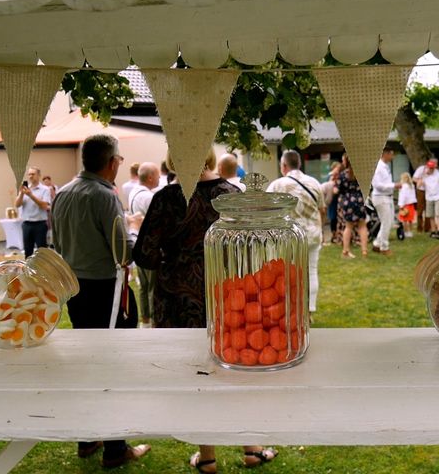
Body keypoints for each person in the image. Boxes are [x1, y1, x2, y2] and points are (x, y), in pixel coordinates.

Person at [133, 149, 277, 473]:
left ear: (173, 160)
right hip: (228, 294)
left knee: (193, 374)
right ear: (210, 157)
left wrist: (175, 262)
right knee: (236, 369)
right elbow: (255, 248)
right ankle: (251, 447)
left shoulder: (166, 199)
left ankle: (208, 457)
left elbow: (143, 254)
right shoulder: (231, 194)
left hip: (177, 300)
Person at [51, 134, 150, 469]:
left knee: (87, 364)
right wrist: (135, 232)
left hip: (75, 290)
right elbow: (122, 252)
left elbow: (58, 241)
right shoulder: (104, 195)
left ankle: (88, 436)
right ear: (112, 162)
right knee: (112, 366)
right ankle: (115, 447)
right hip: (106, 291)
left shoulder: (62, 193)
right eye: (119, 159)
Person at [267, 149, 325, 313]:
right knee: (311, 270)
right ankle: (310, 309)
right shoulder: (314, 182)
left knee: (286, 273)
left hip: (288, 236)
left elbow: (266, 208)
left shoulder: (277, 184)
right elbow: (322, 208)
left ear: (284, 165)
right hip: (313, 234)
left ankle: (289, 307)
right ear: (299, 164)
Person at [128, 162, 160, 328]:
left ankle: (145, 320)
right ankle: (152, 321)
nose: (159, 178)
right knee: (151, 288)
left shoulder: (134, 191)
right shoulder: (148, 197)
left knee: (143, 286)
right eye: (157, 175)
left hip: (139, 245)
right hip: (149, 246)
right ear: (150, 177)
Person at [14, 166, 52, 258]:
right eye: (29, 174)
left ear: (39, 175)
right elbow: (17, 205)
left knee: (42, 252)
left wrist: (31, 195)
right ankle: (29, 271)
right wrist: (21, 194)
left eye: (33, 174)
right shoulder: (25, 189)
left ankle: (42, 271)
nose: (30, 176)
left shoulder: (45, 189)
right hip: (26, 224)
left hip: (40, 224)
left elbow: (44, 206)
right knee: (28, 252)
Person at [371, 147, 401, 256]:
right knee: (386, 223)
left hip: (387, 197)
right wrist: (394, 185)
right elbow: (377, 185)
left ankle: (377, 243)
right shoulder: (378, 167)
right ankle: (384, 247)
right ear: (385, 154)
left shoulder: (384, 167)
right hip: (381, 197)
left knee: (389, 222)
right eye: (391, 154)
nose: (392, 157)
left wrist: (393, 186)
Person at [337, 154, 368, 258]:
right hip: (359, 201)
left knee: (348, 226)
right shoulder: (362, 174)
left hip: (347, 202)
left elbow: (339, 189)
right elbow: (369, 187)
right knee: (362, 226)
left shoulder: (342, 175)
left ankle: (345, 250)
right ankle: (364, 251)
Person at [420, 160, 439, 240]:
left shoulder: (438, 175)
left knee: (438, 214)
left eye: (432, 168)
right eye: (430, 168)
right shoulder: (425, 176)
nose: (431, 169)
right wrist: (423, 175)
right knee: (431, 215)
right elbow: (419, 185)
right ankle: (433, 231)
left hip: (438, 196)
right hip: (429, 197)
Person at [321, 169, 340, 244]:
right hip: (320, 200)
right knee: (321, 221)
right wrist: (324, 207)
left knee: (322, 220)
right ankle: (322, 240)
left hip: (322, 200)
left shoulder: (331, 184)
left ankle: (323, 239)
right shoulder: (331, 185)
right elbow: (328, 199)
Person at [397, 172, 417, 239]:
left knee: (405, 220)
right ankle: (410, 232)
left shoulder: (403, 186)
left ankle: (406, 232)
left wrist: (401, 205)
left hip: (405, 204)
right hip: (411, 204)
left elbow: (403, 196)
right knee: (410, 220)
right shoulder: (412, 185)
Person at [412, 161, 428, 233]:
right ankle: (419, 228)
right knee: (420, 210)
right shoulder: (421, 169)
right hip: (421, 191)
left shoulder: (434, 170)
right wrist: (419, 181)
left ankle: (427, 228)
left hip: (430, 191)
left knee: (428, 210)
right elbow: (414, 178)